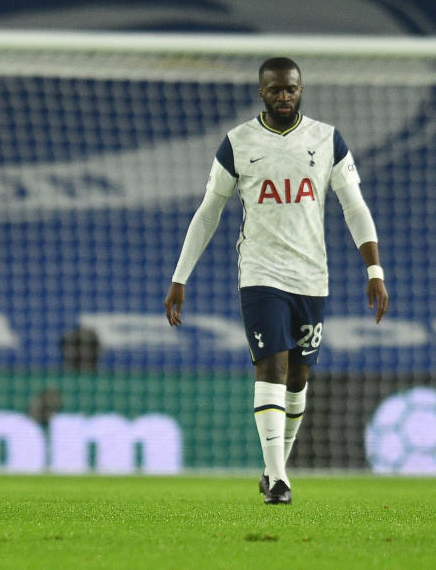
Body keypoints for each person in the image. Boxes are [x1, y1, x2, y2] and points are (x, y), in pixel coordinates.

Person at [164, 57, 389, 505]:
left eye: (291, 89)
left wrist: (375, 269)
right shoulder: (238, 142)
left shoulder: (327, 139)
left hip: (312, 276)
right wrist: (179, 278)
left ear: (301, 89)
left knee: (299, 380)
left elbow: (354, 206)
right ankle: (279, 478)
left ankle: (274, 470)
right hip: (261, 274)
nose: (284, 96)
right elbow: (209, 212)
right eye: (275, 90)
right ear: (260, 92)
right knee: (273, 366)